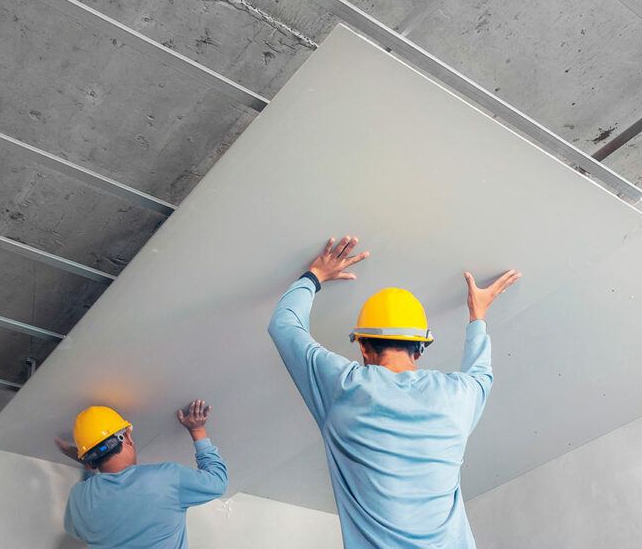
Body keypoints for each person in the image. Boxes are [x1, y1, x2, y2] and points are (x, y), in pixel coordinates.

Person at [268, 235, 520, 548]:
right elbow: (482, 373)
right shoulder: (458, 396)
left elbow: (284, 326)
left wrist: (314, 276)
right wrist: (477, 315)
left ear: (362, 344)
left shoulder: (343, 387)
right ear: (421, 347)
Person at [54, 400, 227, 549]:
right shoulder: (165, 479)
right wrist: (197, 430)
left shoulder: (79, 497)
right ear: (127, 438)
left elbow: (77, 530)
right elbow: (218, 481)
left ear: (90, 461)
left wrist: (89, 468)